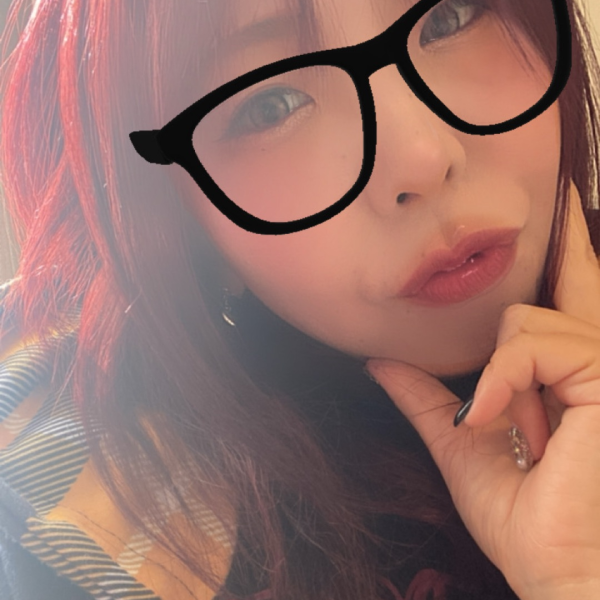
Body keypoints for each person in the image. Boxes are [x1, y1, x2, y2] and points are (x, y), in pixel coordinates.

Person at [0, 0, 599, 599]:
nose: (425, 157)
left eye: (449, 17)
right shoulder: (102, 523)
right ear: (181, 226)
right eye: (271, 105)